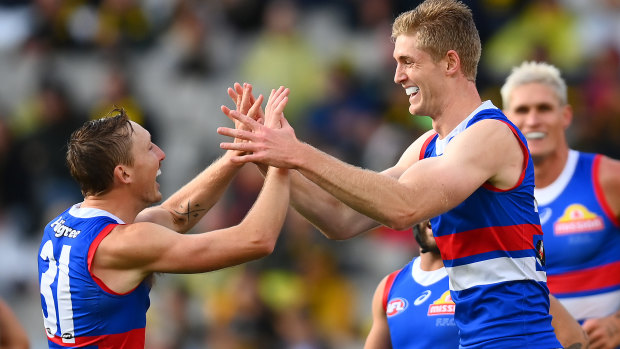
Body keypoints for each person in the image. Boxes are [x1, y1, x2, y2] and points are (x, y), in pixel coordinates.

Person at [217, 0, 561, 347]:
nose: (397, 76)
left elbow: (404, 208)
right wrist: (268, 157)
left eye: (408, 62)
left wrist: (298, 152)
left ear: (450, 62)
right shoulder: (429, 145)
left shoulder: (490, 134)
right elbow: (341, 218)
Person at [37, 86, 290, 348]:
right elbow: (257, 240)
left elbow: (176, 216)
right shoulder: (124, 243)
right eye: (149, 148)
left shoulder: (63, 226)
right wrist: (281, 159)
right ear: (124, 174)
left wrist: (235, 156)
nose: (161, 154)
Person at [502, 61, 620, 349]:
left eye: (543, 108)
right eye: (522, 110)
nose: (532, 120)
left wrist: (617, 325)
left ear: (565, 115)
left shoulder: (608, 178)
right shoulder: (493, 195)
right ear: (505, 120)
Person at [364, 219, 588, 349]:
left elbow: (574, 339)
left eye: (443, 205)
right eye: (426, 205)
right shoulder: (390, 286)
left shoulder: (493, 273)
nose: (434, 215)